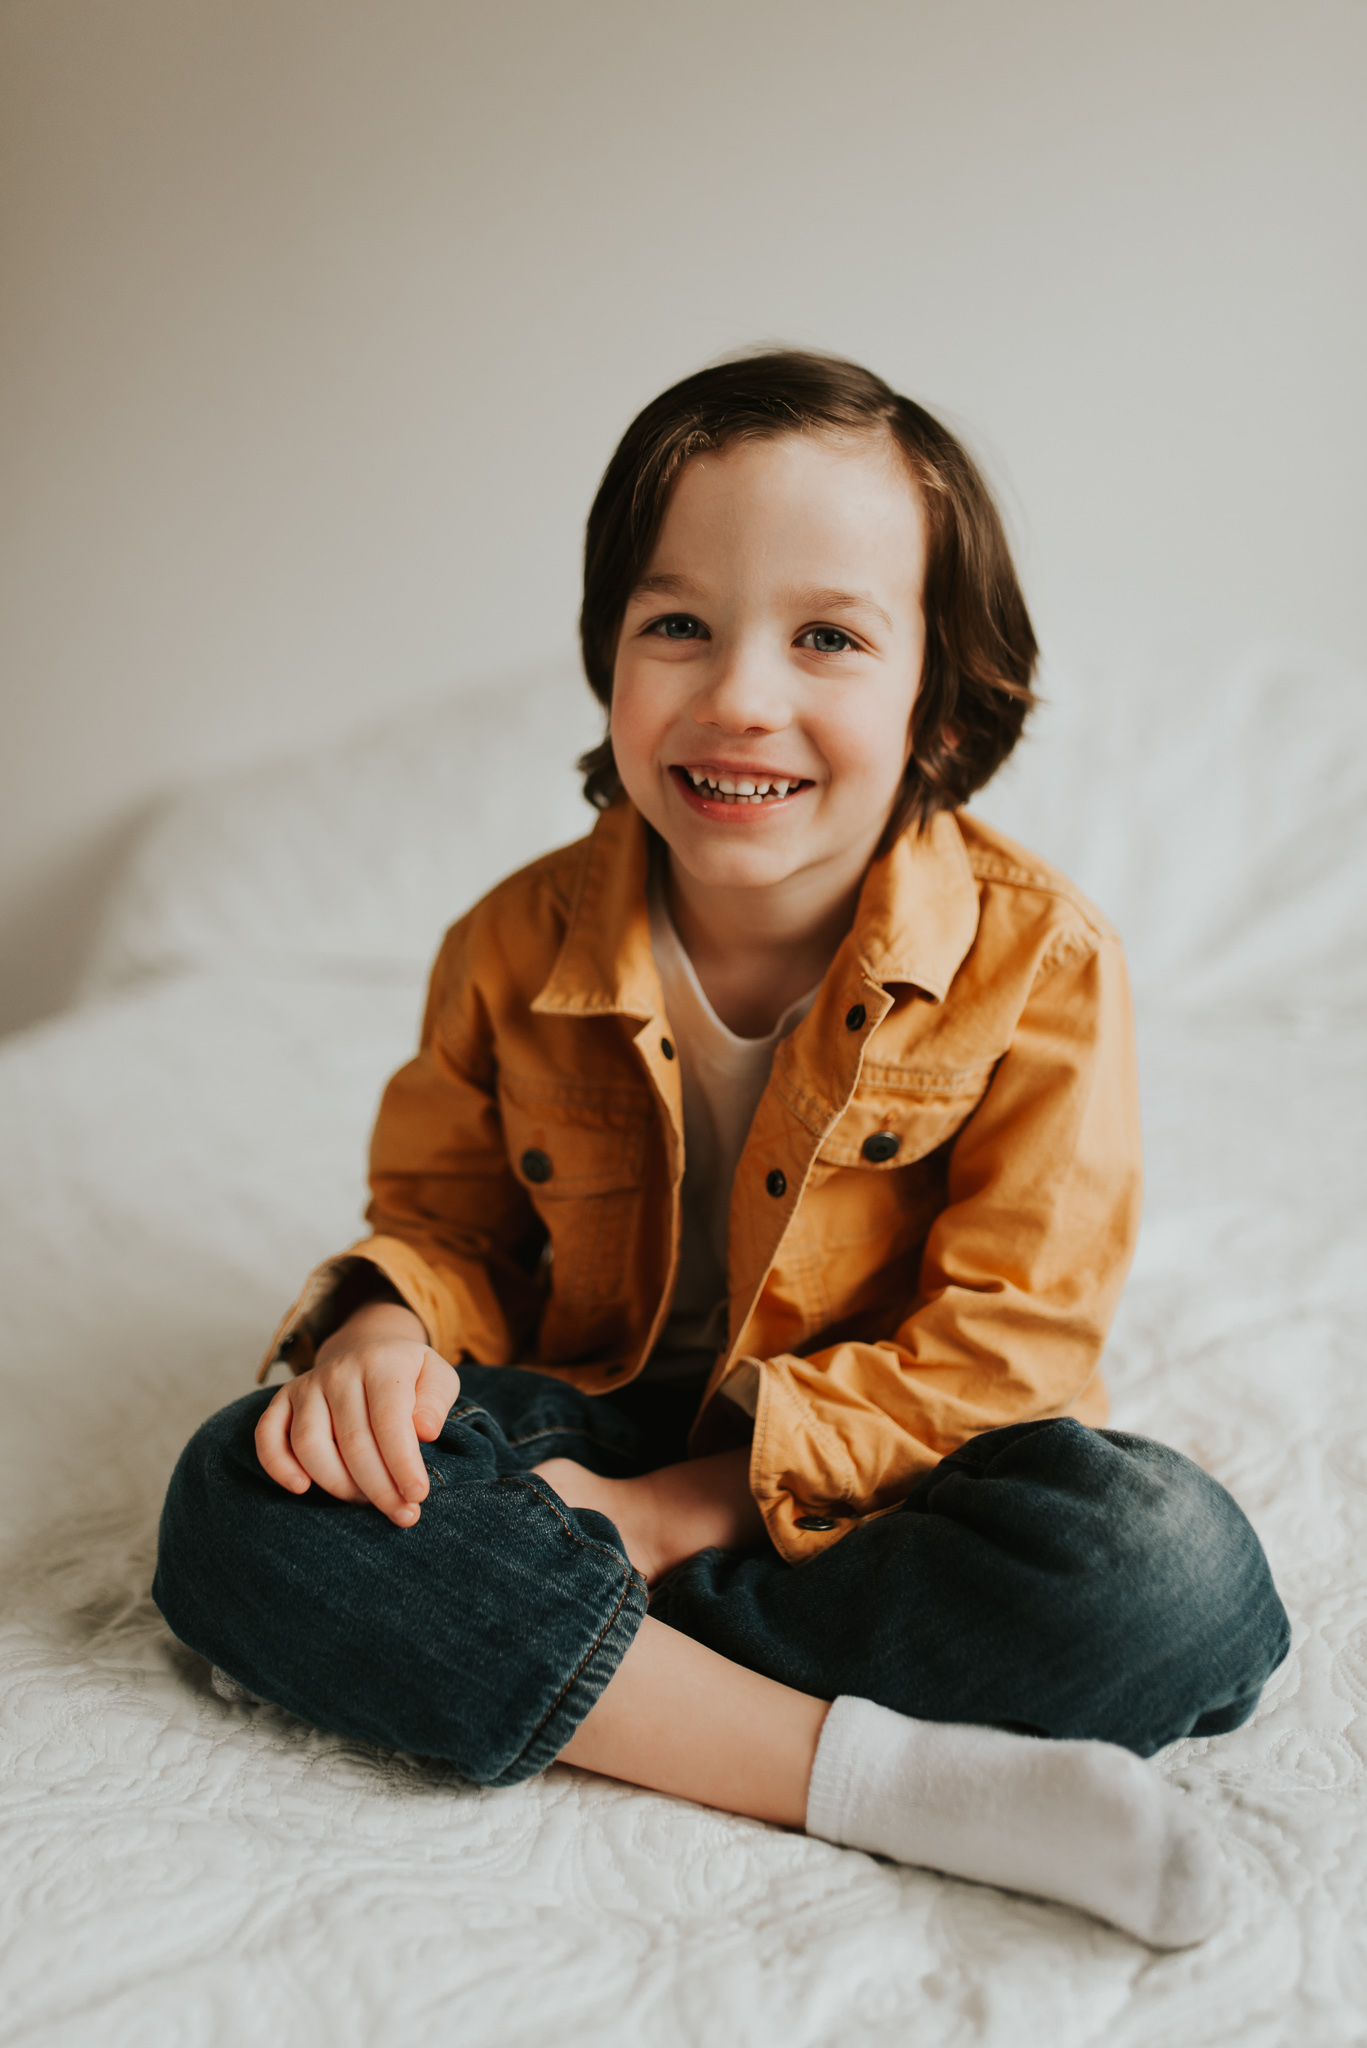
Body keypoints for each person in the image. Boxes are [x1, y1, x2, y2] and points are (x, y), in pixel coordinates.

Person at [154, 351, 1288, 1946]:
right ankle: (876, 1774)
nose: (740, 694)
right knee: (242, 1484)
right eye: (677, 624)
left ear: (942, 699)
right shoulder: (508, 945)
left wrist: (675, 1518)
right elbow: (449, 1225)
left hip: (876, 1472)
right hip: (580, 1423)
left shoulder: (1041, 965)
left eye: (829, 637)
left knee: (1174, 1574)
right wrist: (383, 1334)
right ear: (607, 658)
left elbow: (1006, 1351)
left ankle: (547, 1647)